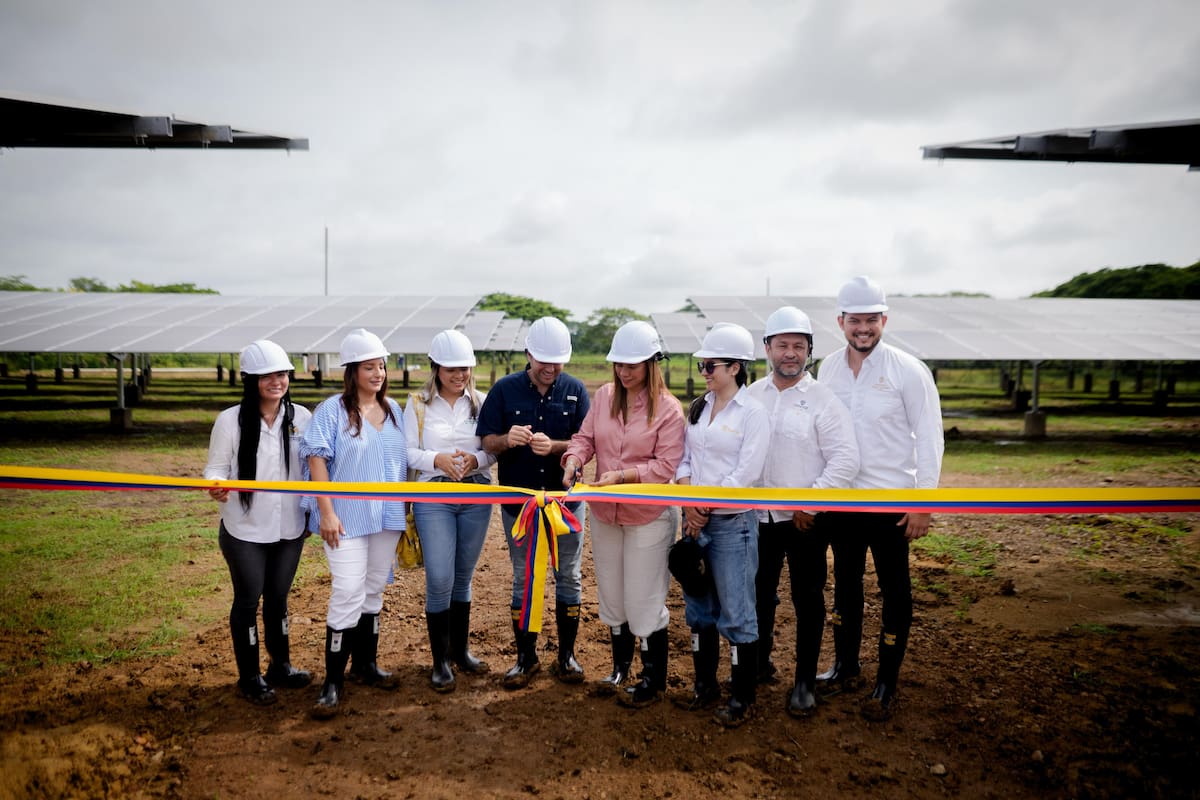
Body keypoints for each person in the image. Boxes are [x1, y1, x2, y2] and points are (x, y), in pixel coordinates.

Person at [815, 276, 944, 721]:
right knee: (846, 586)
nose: (863, 328)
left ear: (884, 320)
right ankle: (845, 666)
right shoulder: (828, 369)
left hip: (892, 504)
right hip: (843, 503)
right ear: (841, 322)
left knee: (894, 590)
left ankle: (886, 681)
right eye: (855, 320)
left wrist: (923, 503)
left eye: (871, 319)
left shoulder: (909, 370)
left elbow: (930, 438)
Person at [561, 321, 685, 707]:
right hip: (605, 513)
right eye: (619, 364)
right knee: (613, 596)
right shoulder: (604, 397)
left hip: (648, 516)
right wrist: (574, 459)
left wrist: (623, 476)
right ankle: (620, 668)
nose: (624, 371)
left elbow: (665, 466)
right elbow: (585, 438)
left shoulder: (669, 409)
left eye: (632, 365)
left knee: (643, 600)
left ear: (651, 364)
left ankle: (653, 678)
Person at [746, 306, 859, 718]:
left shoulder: (823, 401)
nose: (790, 353)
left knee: (807, 599)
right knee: (758, 595)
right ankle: (758, 665)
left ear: (809, 351)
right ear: (767, 348)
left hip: (804, 522)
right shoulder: (750, 396)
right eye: (782, 345)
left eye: (798, 346)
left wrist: (809, 503)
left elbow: (845, 459)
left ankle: (804, 683)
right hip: (757, 518)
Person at [477, 317, 590, 689]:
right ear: (528, 354)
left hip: (564, 504)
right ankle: (526, 658)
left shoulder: (575, 390)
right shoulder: (504, 390)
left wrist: (556, 447)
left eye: (557, 361)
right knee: (524, 577)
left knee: (568, 575)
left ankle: (566, 656)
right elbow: (487, 441)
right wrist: (506, 440)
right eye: (543, 360)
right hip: (520, 504)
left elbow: (587, 442)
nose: (551, 368)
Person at [301, 328, 408, 719]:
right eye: (369, 367)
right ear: (352, 371)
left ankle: (366, 665)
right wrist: (326, 512)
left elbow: (404, 459)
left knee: (373, 588)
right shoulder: (331, 410)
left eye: (381, 366)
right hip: (344, 517)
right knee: (347, 590)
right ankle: (332, 682)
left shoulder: (394, 410)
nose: (378, 373)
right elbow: (316, 460)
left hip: (387, 516)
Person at [204, 339, 313, 706]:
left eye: (282, 374)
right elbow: (216, 468)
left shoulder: (301, 418)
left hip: (290, 527)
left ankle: (280, 666)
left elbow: (313, 469)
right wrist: (216, 485)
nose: (276, 382)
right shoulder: (230, 420)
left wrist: (314, 510)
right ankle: (249, 676)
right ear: (250, 380)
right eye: (267, 376)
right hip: (244, 528)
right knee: (249, 598)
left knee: (278, 598)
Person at [674, 322, 770, 727]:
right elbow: (684, 461)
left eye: (710, 365)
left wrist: (703, 506)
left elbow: (746, 473)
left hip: (732, 524)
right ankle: (705, 685)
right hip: (695, 523)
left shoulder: (754, 414)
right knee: (698, 608)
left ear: (735, 367)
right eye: (702, 365)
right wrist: (689, 502)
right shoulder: (698, 408)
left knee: (736, 611)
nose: (704, 372)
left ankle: (742, 697)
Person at [404, 329, 497, 693]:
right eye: (451, 369)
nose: (460, 375)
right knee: (440, 577)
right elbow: (408, 452)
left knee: (463, 576)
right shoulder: (417, 404)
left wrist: (477, 459)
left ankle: (461, 652)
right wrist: (437, 459)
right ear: (436, 369)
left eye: (465, 368)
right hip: (434, 496)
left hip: (476, 493)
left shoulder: (483, 402)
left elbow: (493, 448)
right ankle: (440, 660)